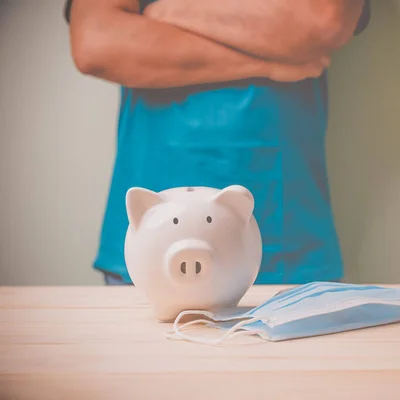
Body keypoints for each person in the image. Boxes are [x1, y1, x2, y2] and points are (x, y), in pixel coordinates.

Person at [64, 0, 370, 285]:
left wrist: (164, 11)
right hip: (147, 246)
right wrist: (270, 62)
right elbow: (97, 43)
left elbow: (320, 21)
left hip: (288, 244)